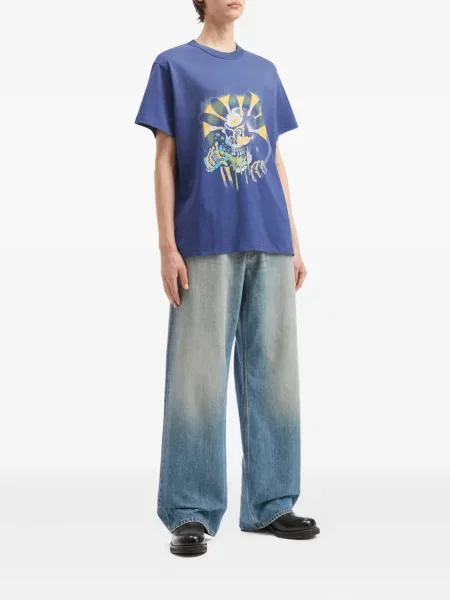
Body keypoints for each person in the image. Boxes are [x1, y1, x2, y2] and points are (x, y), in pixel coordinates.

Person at [135, 0, 320, 556]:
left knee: (275, 375)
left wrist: (294, 238)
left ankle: (271, 504)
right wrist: (167, 246)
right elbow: (164, 159)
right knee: (197, 378)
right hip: (204, 239)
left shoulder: (264, 71)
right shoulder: (173, 65)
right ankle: (190, 511)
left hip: (269, 239)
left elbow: (275, 159)